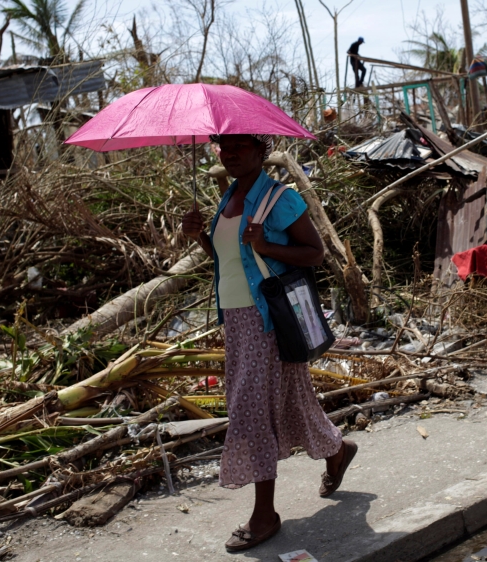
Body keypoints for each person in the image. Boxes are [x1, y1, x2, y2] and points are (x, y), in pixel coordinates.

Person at [181, 134, 358, 552]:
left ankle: (265, 514)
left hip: (270, 320)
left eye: (241, 146)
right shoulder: (228, 199)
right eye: (224, 148)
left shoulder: (280, 199)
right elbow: (228, 261)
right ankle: (337, 449)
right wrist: (198, 237)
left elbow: (314, 252)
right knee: (292, 398)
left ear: (261, 152)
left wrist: (267, 245)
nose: (231, 153)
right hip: (238, 320)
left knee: (250, 408)